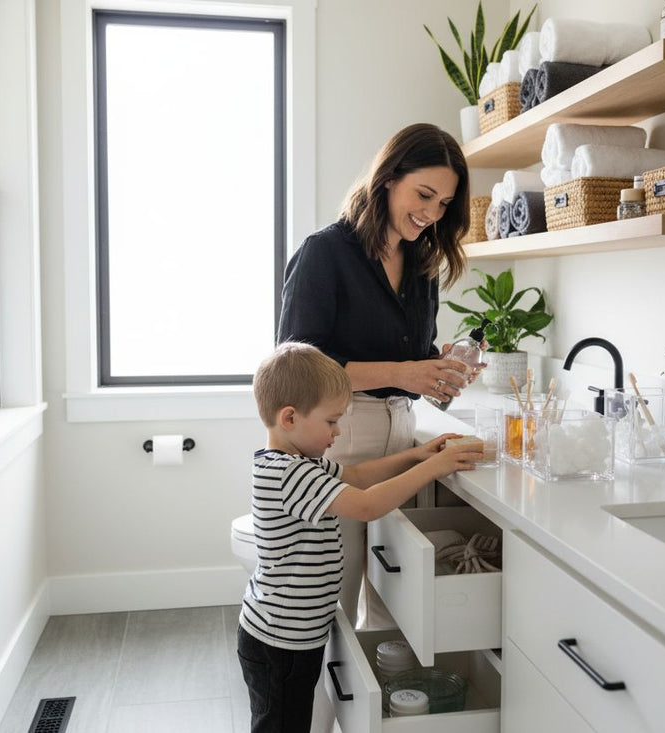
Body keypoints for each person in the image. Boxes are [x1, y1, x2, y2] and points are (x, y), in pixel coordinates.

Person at [277, 122, 480, 628]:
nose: (431, 213)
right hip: (338, 433)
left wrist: (440, 363)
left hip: (400, 426)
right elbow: (299, 370)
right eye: (424, 194)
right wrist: (405, 372)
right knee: (332, 606)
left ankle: (372, 708)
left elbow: (410, 354)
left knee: (393, 603)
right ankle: (312, 709)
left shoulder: (420, 263)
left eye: (443, 204)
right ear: (388, 178)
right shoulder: (327, 252)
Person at [237, 342, 480, 733]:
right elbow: (366, 505)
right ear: (290, 418)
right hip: (281, 642)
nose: (337, 432)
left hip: (290, 634)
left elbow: (359, 475)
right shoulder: (290, 474)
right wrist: (434, 467)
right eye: (332, 421)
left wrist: (415, 457)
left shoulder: (300, 461)